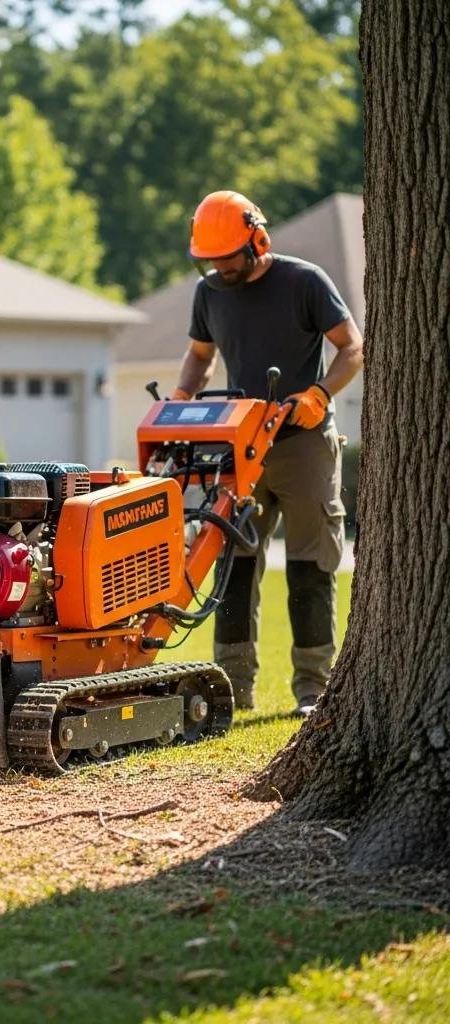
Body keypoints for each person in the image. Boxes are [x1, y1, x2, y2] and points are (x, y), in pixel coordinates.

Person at [172, 190, 364, 716]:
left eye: (228, 256)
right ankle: (232, 690)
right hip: (240, 449)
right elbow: (199, 355)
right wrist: (184, 397)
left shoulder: (304, 282)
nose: (219, 266)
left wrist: (321, 393)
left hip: (303, 444)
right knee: (233, 568)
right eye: (210, 258)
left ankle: (312, 690)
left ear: (257, 240)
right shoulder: (209, 293)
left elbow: (352, 346)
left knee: (310, 566)